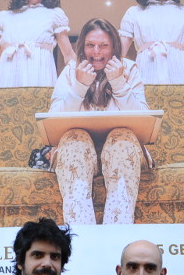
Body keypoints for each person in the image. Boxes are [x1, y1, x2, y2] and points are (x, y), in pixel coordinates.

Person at [49, 18, 148, 225]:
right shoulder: (70, 71)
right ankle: (82, 241)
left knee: (120, 138)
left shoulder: (129, 69)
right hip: (77, 148)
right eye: (90, 45)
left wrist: (119, 83)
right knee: (76, 139)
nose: (96, 52)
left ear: (114, 48)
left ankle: (116, 239)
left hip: (122, 147)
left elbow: (143, 118)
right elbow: (54, 119)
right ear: (82, 48)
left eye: (103, 46)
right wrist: (79, 87)